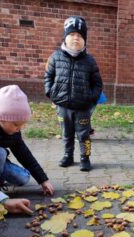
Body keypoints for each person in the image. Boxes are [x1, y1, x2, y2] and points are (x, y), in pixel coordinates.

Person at [44, 16, 103, 171]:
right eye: (72, 35)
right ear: (65, 37)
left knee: (84, 135)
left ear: (84, 40)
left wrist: (90, 98)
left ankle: (85, 157)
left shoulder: (90, 61)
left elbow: (98, 83)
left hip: (82, 107)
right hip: (63, 106)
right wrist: (51, 93)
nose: (76, 39)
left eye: (80, 36)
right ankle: (67, 155)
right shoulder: (56, 57)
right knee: (66, 134)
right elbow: (48, 76)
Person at [0, 85, 54, 214]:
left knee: (23, 178)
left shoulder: (13, 133)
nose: (18, 129)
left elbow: (25, 155)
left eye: (22, 125)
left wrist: (43, 180)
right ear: (1, 118)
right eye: (16, 124)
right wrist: (2, 199)